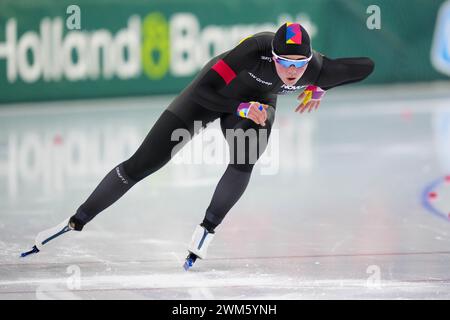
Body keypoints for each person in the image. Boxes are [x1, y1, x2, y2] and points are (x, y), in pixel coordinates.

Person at [21, 22, 374, 270]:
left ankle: (206, 229)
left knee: (246, 156)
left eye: (299, 64)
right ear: (273, 55)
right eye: (285, 63)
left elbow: (365, 66)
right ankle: (75, 221)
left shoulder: (315, 69)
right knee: (142, 164)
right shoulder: (252, 51)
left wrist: (324, 86)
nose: (293, 73)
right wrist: (239, 106)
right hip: (210, 98)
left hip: (254, 108)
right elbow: (206, 90)